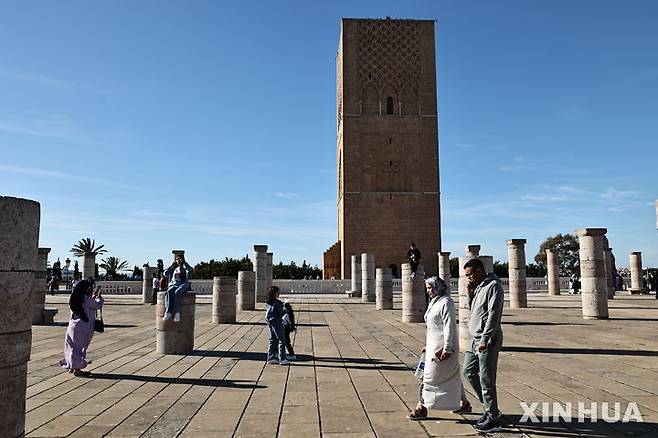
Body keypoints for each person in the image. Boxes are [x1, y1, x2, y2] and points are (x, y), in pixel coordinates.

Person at [408, 277, 471, 420]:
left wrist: (447, 348)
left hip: (443, 347)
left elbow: (449, 326)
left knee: (428, 376)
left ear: (438, 286)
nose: (428, 291)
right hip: (433, 345)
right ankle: (465, 403)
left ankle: (421, 407)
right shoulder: (434, 302)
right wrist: (427, 345)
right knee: (451, 375)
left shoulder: (446, 302)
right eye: (427, 288)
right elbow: (432, 328)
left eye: (431, 288)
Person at [462, 258, 504, 433]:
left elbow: (494, 315)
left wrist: (485, 339)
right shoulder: (479, 286)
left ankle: (493, 418)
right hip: (475, 339)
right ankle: (490, 408)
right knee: (468, 372)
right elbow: (476, 312)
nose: (467, 278)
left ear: (479, 270)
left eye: (469, 275)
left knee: (486, 380)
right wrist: (471, 294)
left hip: (487, 340)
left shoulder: (493, 286)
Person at [59, 279, 103, 376]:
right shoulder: (86, 299)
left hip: (72, 326)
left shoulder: (74, 298)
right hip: (83, 326)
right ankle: (77, 369)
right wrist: (99, 298)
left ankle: (71, 366)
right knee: (80, 347)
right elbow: (97, 305)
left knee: (70, 346)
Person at [162, 254, 192, 322]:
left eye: (180, 259)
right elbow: (165, 274)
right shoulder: (174, 268)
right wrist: (171, 266)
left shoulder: (185, 268)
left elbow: (190, 269)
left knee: (178, 291)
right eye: (177, 259)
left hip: (183, 285)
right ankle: (168, 312)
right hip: (174, 285)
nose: (178, 261)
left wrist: (184, 262)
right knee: (169, 291)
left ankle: (177, 313)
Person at [265, 286, 289, 365]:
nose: (279, 293)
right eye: (278, 292)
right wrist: (286, 309)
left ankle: (271, 357)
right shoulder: (276, 303)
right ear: (275, 293)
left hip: (271, 322)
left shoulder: (269, 301)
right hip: (277, 322)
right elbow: (281, 312)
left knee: (272, 339)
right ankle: (282, 358)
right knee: (281, 340)